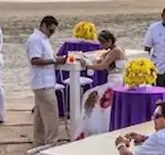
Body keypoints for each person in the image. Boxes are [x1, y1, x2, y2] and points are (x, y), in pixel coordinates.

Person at [73, 30, 126, 139]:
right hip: (117, 81)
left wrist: (87, 66)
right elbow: (101, 61)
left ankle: (92, 127)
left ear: (109, 41)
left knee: (89, 95)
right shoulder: (116, 50)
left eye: (102, 43)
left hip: (115, 82)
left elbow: (102, 66)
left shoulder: (115, 51)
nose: (101, 46)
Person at [27, 16, 65, 147]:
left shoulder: (44, 39)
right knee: (51, 115)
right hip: (43, 83)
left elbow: (48, 57)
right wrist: (54, 61)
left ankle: (38, 141)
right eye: (50, 30)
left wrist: (58, 59)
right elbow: (35, 60)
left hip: (44, 82)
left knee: (39, 115)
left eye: (53, 31)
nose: (52, 33)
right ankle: (52, 142)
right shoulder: (36, 39)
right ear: (43, 26)